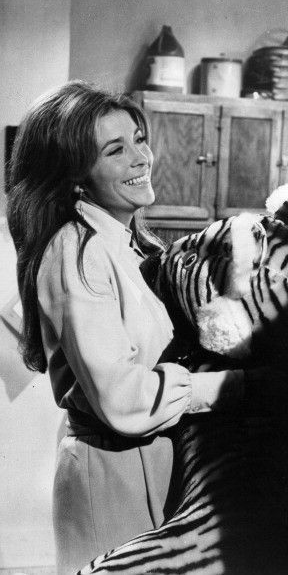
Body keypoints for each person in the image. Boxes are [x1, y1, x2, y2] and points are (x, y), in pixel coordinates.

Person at [6, 80, 246, 574]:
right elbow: (120, 397)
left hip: (150, 464)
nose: (142, 158)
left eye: (139, 139)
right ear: (75, 174)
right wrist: (232, 387)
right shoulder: (76, 249)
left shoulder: (131, 243)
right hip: (112, 473)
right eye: (116, 150)